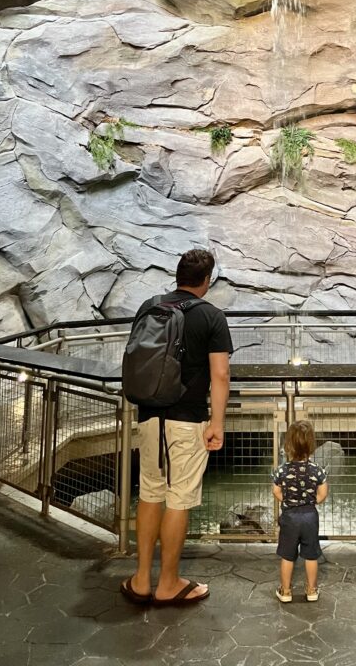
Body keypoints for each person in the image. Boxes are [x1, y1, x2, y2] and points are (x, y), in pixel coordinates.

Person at [121, 248, 232, 607]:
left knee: (151, 493)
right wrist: (217, 423)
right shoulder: (211, 316)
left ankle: (141, 579)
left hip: (149, 415)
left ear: (177, 275)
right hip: (186, 421)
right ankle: (168, 583)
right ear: (206, 280)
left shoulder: (150, 306)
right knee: (179, 499)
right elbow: (220, 374)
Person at [271, 420, 328, 603]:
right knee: (311, 555)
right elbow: (323, 493)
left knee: (288, 556)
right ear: (312, 445)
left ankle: (286, 591)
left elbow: (276, 491)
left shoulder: (281, 470)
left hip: (290, 517)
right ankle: (311, 590)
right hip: (310, 516)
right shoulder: (317, 470)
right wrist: (310, 502)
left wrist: (289, 501)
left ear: (288, 445)